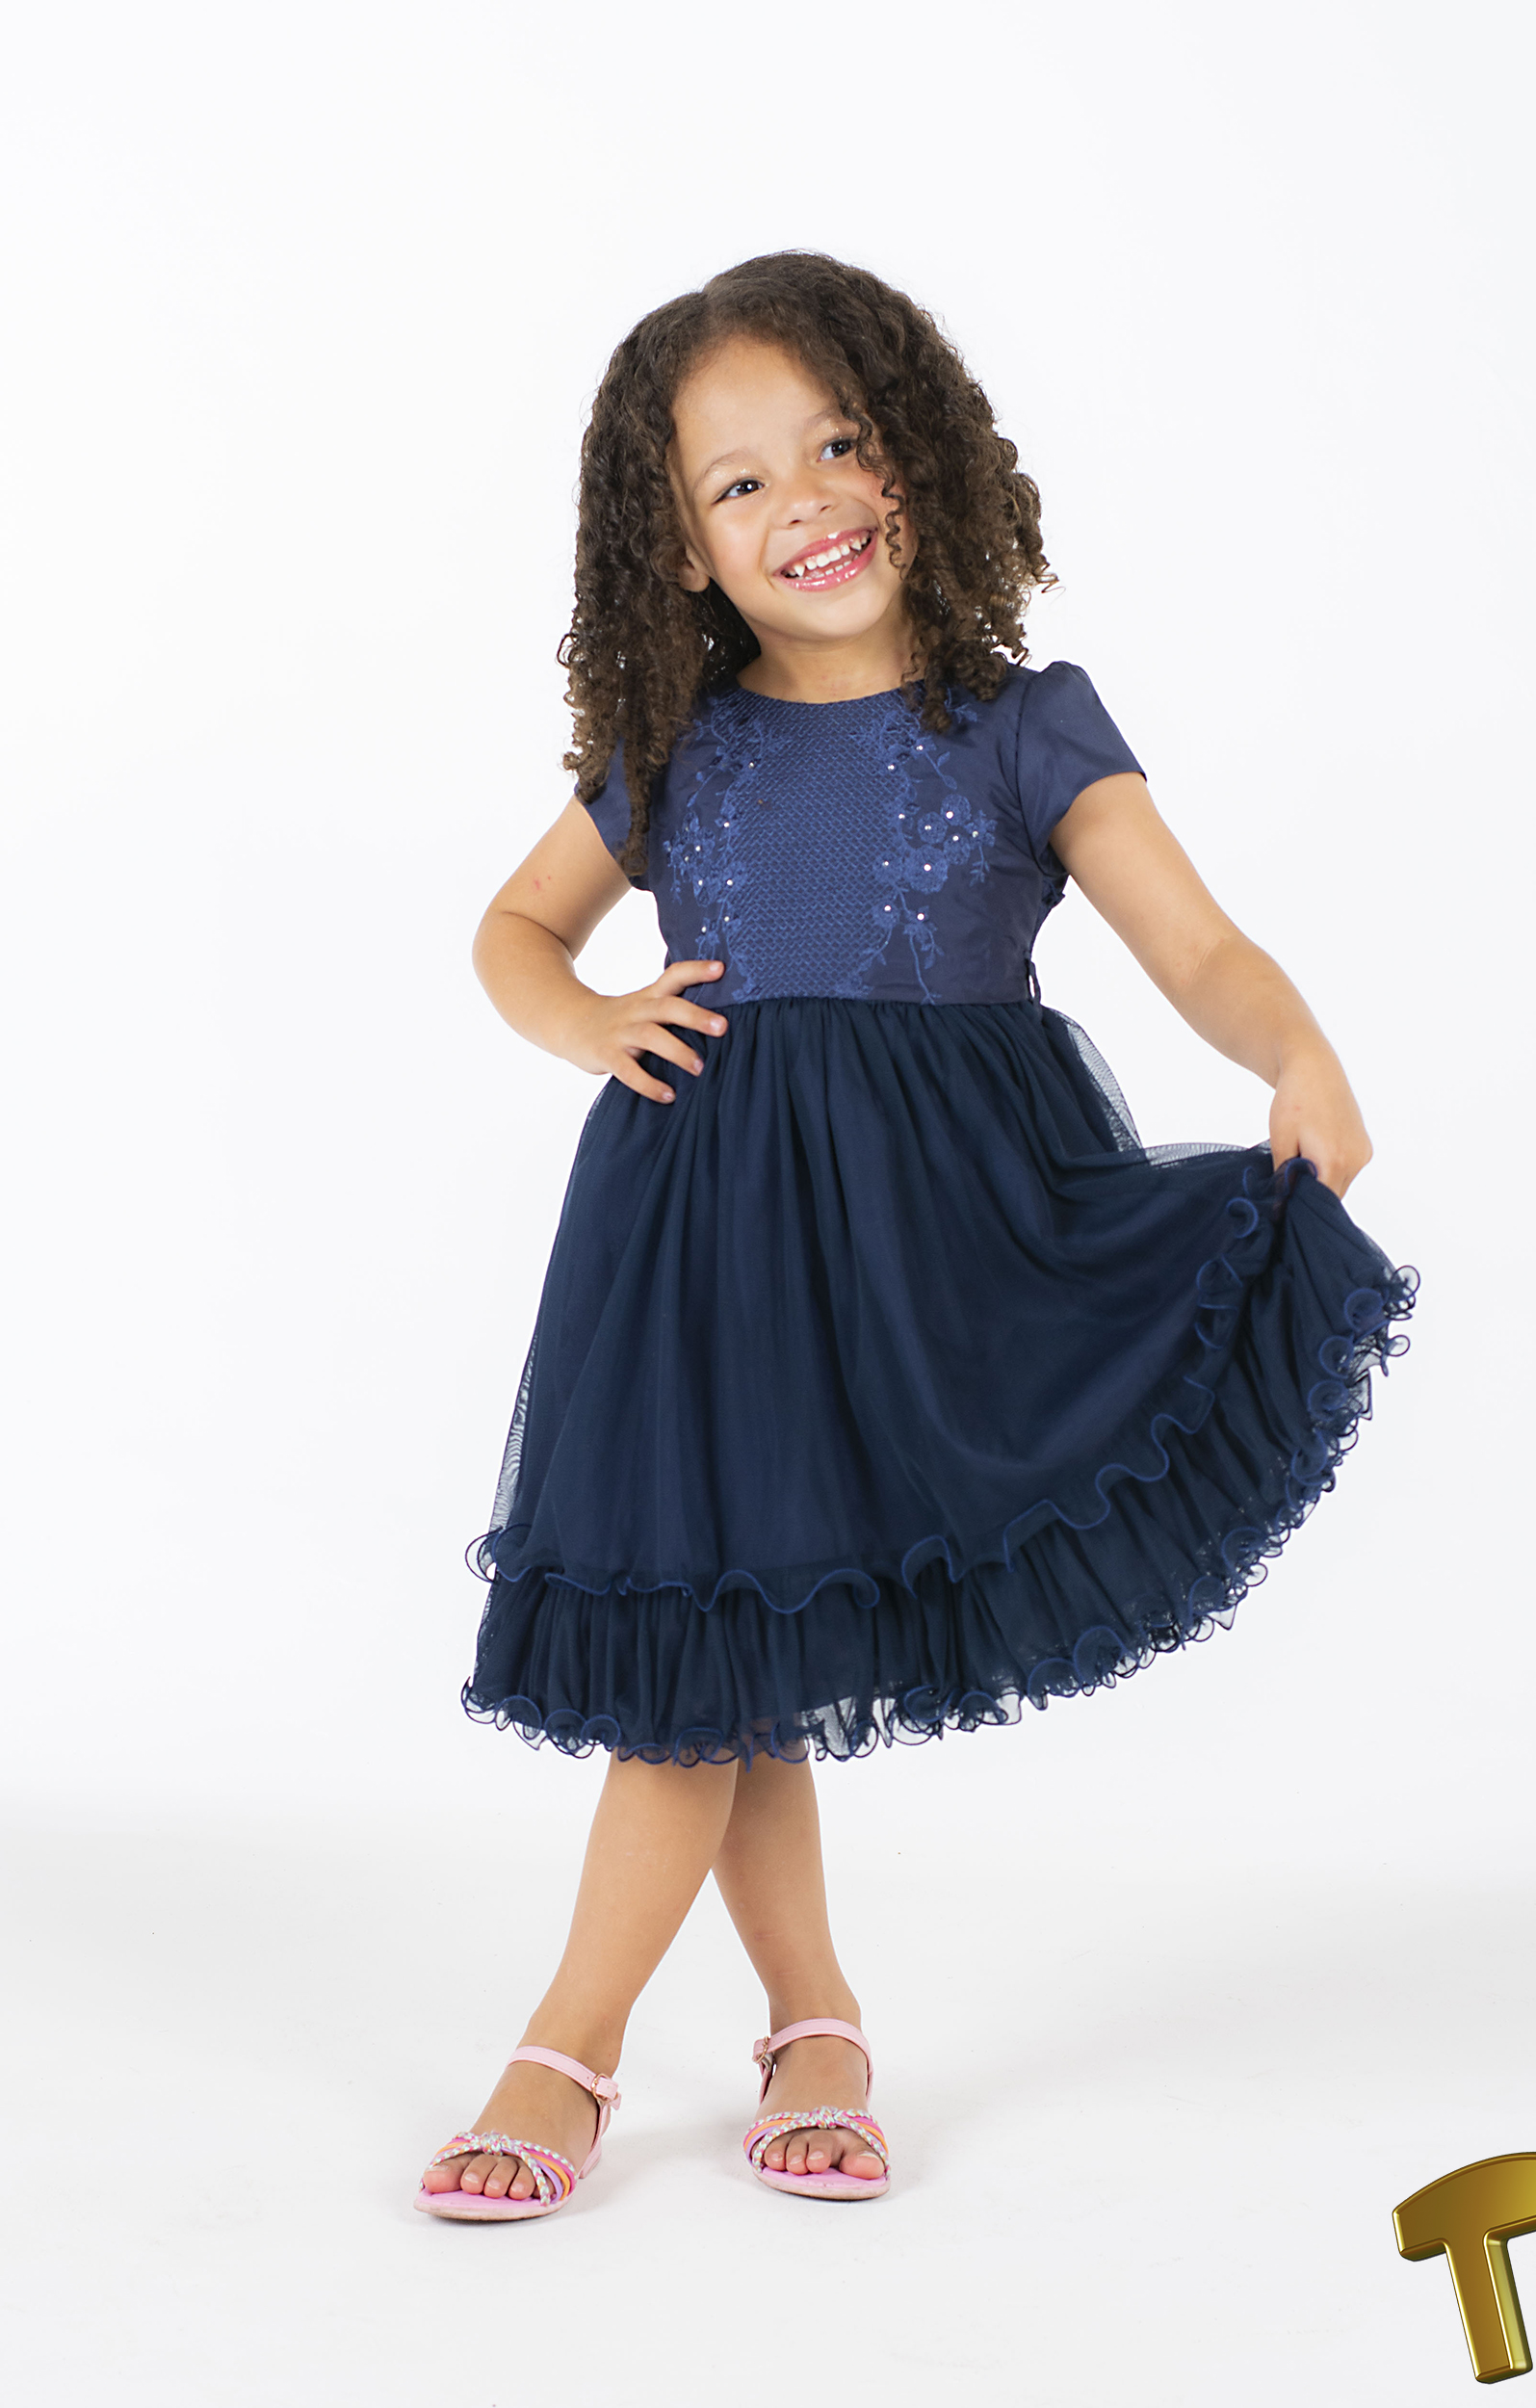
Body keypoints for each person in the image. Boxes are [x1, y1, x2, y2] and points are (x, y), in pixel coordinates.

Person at [416, 252, 1417, 2221]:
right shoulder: (678, 745)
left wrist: (1296, 1049)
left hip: (936, 1250)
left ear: (919, 454)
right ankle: (721, 2032)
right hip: (703, 1253)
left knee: (740, 1652)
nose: (805, 502)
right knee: (713, 1650)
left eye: (838, 444)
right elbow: (512, 930)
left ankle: (660, 2038)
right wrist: (589, 1018)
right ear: (682, 551)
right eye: (739, 484)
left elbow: (1198, 946)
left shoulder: (1022, 726)